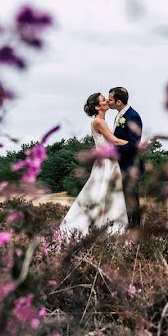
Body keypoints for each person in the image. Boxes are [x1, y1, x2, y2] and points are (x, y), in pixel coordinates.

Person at [59, 92, 128, 237]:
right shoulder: (98, 122)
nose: (107, 101)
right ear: (97, 106)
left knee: (107, 195)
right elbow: (114, 141)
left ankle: (108, 229)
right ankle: (97, 229)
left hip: (109, 161)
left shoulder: (102, 121)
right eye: (104, 100)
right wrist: (134, 145)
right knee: (101, 194)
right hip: (106, 163)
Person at [107, 86, 144, 228]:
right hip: (121, 165)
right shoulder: (120, 115)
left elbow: (134, 145)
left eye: (110, 99)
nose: (108, 101)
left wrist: (114, 152)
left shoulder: (132, 116)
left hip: (130, 166)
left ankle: (136, 231)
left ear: (119, 102)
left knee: (131, 200)